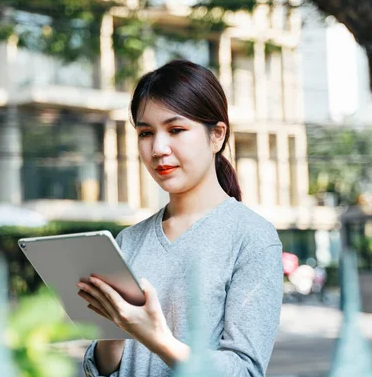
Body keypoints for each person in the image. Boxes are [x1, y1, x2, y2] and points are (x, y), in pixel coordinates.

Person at [79, 60, 284, 377]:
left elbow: (245, 371)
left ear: (216, 135)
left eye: (175, 130)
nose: (158, 148)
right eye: (146, 133)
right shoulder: (127, 241)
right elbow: (103, 368)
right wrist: (114, 333)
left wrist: (156, 337)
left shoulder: (253, 237)